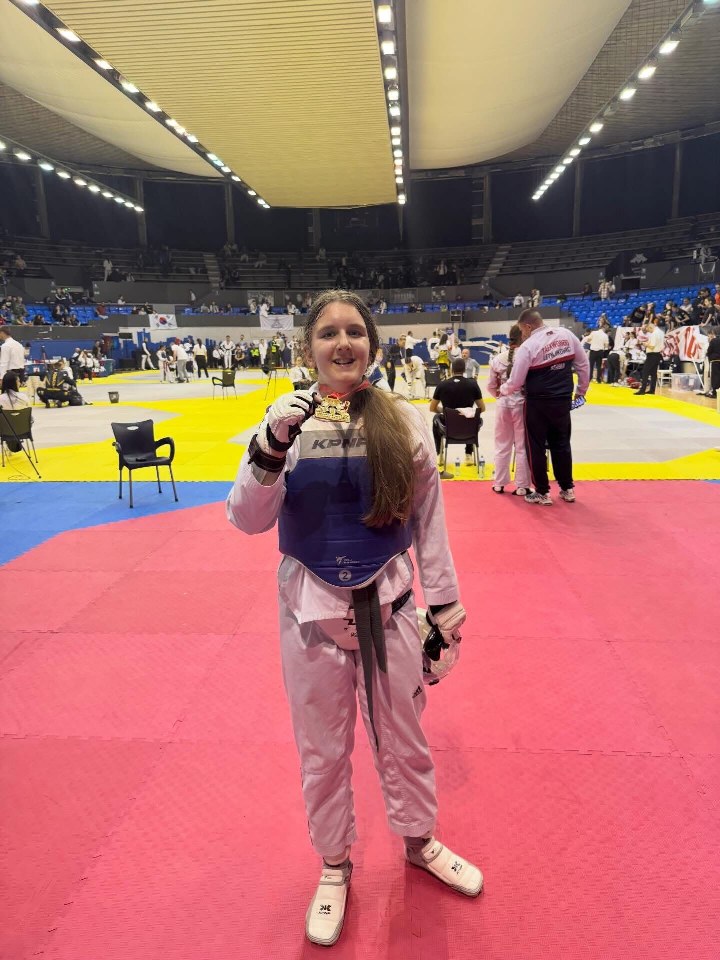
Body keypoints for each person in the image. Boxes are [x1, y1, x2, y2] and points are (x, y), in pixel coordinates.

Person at [227, 289, 482, 948]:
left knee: (405, 739)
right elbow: (246, 519)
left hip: (389, 607)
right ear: (308, 348)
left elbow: (428, 518)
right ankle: (334, 864)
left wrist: (444, 607)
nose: (342, 343)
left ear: (372, 343)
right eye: (328, 333)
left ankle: (420, 842)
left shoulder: (403, 419)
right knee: (321, 750)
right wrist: (271, 445)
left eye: (354, 331)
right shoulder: (281, 422)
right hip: (309, 612)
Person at [500, 310, 589, 505]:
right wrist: (581, 391)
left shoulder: (528, 346)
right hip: (562, 400)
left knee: (536, 446)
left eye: (522, 330)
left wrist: (503, 390)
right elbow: (583, 364)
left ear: (528, 326)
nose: (522, 334)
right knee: (561, 444)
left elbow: (516, 381)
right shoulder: (567, 335)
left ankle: (542, 492)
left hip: (537, 402)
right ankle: (567, 489)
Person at [486, 325, 530, 496]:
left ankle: (499, 482)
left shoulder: (498, 359)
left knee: (502, 444)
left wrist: (500, 396)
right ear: (523, 337)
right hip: (522, 404)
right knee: (522, 445)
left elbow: (491, 386)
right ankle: (522, 485)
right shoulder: (528, 356)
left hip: (503, 404)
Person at [429, 357, 485, 467]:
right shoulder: (473, 384)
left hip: (448, 427)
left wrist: (446, 411)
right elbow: (482, 408)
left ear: (451, 369)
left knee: (436, 418)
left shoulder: (442, 385)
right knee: (473, 417)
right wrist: (466, 411)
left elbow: (432, 408)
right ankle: (468, 454)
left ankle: (439, 454)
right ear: (464, 369)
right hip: (468, 429)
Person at [634, 319, 664, 395]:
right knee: (653, 373)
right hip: (658, 354)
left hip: (652, 355)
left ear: (650, 327)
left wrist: (643, 343)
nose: (648, 332)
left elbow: (652, 346)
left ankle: (642, 390)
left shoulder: (654, 333)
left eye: (648, 330)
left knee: (645, 371)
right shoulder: (661, 332)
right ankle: (652, 389)